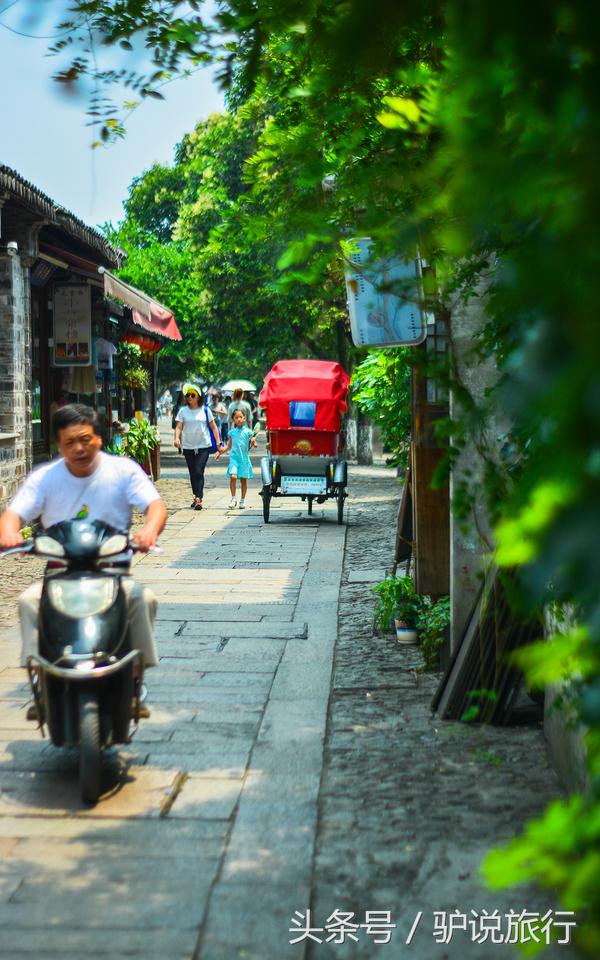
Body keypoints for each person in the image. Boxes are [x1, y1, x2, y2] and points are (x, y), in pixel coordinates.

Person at [0, 404, 168, 717]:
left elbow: (155, 506)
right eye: (69, 443)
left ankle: (134, 681)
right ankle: (40, 678)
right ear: (59, 445)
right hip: (60, 574)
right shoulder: (46, 477)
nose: (79, 448)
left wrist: (149, 530)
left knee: (142, 599)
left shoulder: (123, 471)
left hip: (112, 572)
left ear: (99, 439)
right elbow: (14, 513)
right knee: (28, 602)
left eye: (85, 439)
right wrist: (9, 533)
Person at [174, 382, 224, 509]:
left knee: (198, 470)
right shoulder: (183, 411)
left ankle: (198, 498)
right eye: (188, 395)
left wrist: (218, 443)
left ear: (198, 397)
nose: (190, 397)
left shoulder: (205, 410)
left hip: (203, 445)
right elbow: (179, 426)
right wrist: (176, 438)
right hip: (188, 445)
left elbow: (214, 427)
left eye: (192, 395)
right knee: (192, 473)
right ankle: (196, 495)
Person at [215, 409, 256, 509]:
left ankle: (242, 500)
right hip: (234, 459)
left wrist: (253, 442)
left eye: (240, 417)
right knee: (233, 477)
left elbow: (252, 440)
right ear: (233, 419)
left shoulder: (248, 431)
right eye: (236, 418)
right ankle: (233, 498)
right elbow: (228, 446)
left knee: (243, 481)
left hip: (244, 460)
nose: (238, 419)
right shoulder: (231, 433)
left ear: (244, 418)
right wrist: (220, 452)